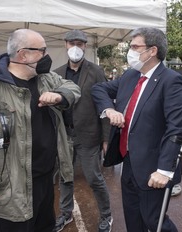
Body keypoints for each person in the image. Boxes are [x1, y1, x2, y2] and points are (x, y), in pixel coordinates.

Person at [0, 29, 81, 232]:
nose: (46, 56)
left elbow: (73, 88)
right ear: (23, 54)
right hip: (12, 187)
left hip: (45, 178)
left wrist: (60, 95)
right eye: (42, 50)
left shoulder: (46, 79)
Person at [91, 27, 182, 232]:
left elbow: (177, 128)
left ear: (152, 51)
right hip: (128, 162)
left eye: (135, 46)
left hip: (154, 168)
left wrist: (164, 170)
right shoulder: (131, 76)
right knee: (133, 219)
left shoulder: (170, 80)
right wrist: (108, 109)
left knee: (155, 221)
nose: (130, 51)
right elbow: (98, 89)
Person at [53, 29, 112, 232]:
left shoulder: (95, 72)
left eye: (80, 43)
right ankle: (65, 214)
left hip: (89, 136)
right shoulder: (57, 73)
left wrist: (106, 138)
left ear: (86, 46)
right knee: (65, 177)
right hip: (65, 136)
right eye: (72, 43)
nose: (76, 47)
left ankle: (106, 216)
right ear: (66, 45)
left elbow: (104, 105)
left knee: (94, 178)